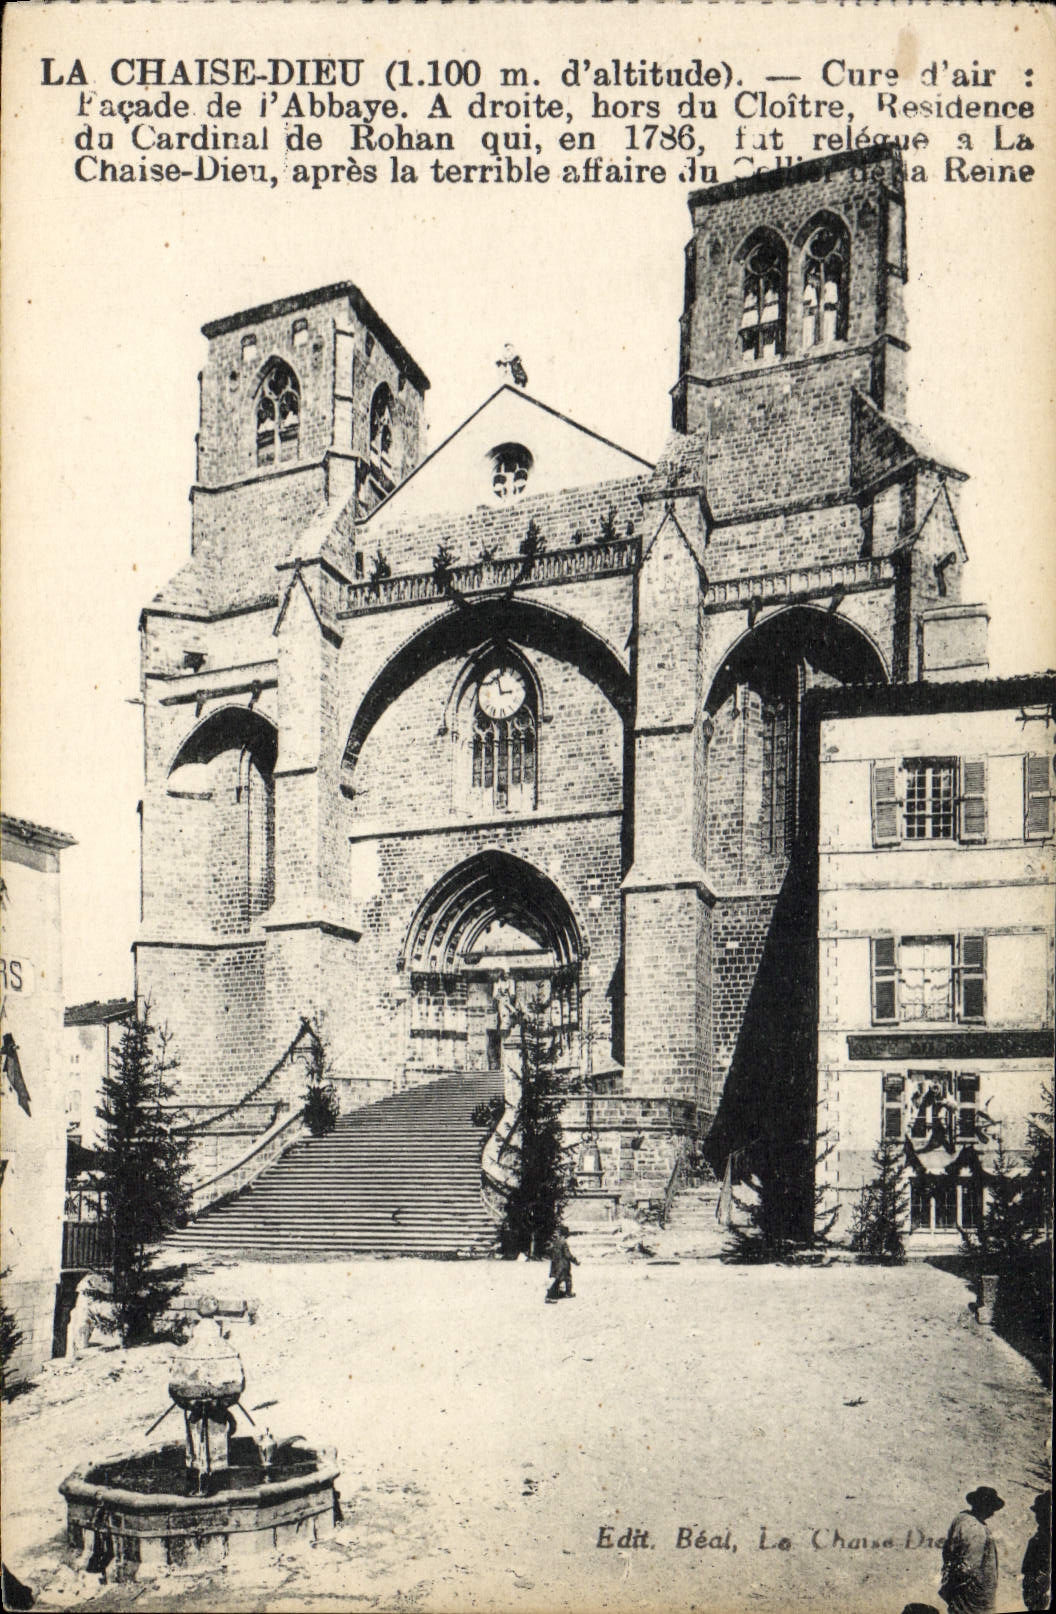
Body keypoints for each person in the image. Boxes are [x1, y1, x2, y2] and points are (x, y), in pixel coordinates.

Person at [939, 1487, 1004, 1614]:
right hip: (973, 1595)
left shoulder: (961, 1518)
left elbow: (947, 1549)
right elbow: (970, 1566)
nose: (993, 1512)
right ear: (985, 1507)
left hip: (963, 1589)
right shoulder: (976, 1529)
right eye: (991, 1507)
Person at [1022, 1490, 1051, 1612]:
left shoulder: (1039, 1540)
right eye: (1038, 1513)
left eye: (1042, 1513)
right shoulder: (1037, 1540)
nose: (1038, 1517)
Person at [545, 1225, 578, 1303]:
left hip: (556, 1263)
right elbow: (567, 1254)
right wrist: (575, 1261)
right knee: (562, 1279)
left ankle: (567, 1292)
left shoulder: (555, 1241)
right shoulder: (563, 1242)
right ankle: (550, 1295)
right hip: (563, 1264)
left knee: (564, 1278)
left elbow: (550, 1250)